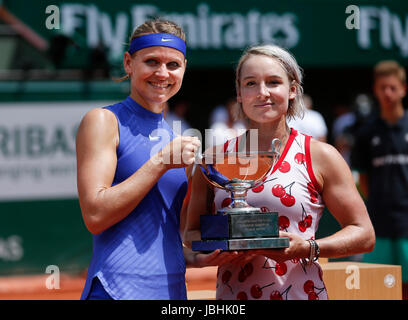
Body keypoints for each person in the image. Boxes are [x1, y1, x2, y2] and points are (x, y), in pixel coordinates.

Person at [184, 44, 375, 300]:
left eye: (273, 82)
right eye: (251, 83)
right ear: (239, 93)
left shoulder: (321, 155)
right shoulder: (213, 159)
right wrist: (211, 252)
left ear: (292, 89)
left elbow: (363, 234)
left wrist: (307, 248)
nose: (262, 93)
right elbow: (192, 232)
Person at [76, 18, 227, 300]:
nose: (162, 73)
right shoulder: (103, 121)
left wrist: (193, 257)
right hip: (115, 290)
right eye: (151, 62)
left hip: (171, 291)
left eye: (173, 65)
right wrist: (160, 163)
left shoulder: (175, 135)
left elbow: (164, 228)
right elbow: (95, 215)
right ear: (128, 63)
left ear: (184, 69)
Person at [350, 60, 408, 299]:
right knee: (382, 288)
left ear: (403, 89)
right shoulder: (367, 132)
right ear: (375, 89)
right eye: (383, 87)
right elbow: (362, 179)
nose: (388, 93)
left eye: (393, 87)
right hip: (380, 223)